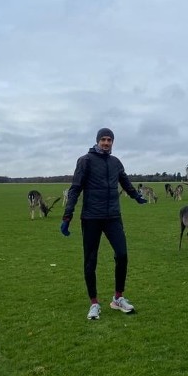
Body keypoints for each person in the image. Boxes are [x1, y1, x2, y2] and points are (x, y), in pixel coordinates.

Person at [60, 127, 148, 320]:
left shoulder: (116, 162)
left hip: (113, 217)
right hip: (91, 218)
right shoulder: (85, 161)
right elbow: (75, 189)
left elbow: (125, 182)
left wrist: (136, 196)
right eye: (103, 140)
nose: (106, 143)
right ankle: (94, 304)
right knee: (90, 261)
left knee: (122, 254)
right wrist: (67, 216)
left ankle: (118, 298)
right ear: (97, 141)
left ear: (112, 142)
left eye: (109, 140)